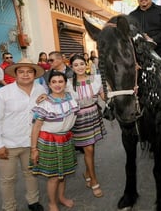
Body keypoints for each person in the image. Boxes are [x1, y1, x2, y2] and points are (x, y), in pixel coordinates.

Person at [0, 58, 45, 211]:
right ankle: (9, 207)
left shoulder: (41, 90)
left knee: (31, 173)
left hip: (31, 143)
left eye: (29, 71)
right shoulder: (2, 94)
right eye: (21, 72)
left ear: (34, 74)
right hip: (8, 145)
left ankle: (33, 201)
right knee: (8, 179)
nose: (25, 75)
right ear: (15, 74)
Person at [30, 71, 79, 211]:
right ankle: (52, 203)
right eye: (54, 82)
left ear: (65, 83)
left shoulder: (71, 97)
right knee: (53, 177)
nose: (57, 85)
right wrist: (34, 149)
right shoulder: (45, 102)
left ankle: (61, 197)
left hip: (66, 139)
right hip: (50, 142)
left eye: (60, 81)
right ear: (49, 85)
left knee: (62, 174)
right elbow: (36, 127)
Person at [68, 54, 106, 197]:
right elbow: (58, 96)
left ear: (86, 65)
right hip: (79, 119)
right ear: (72, 67)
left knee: (91, 149)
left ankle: (87, 172)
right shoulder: (67, 83)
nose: (79, 67)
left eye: (82, 64)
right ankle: (94, 181)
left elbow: (105, 97)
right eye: (76, 65)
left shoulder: (96, 80)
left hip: (94, 116)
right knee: (88, 149)